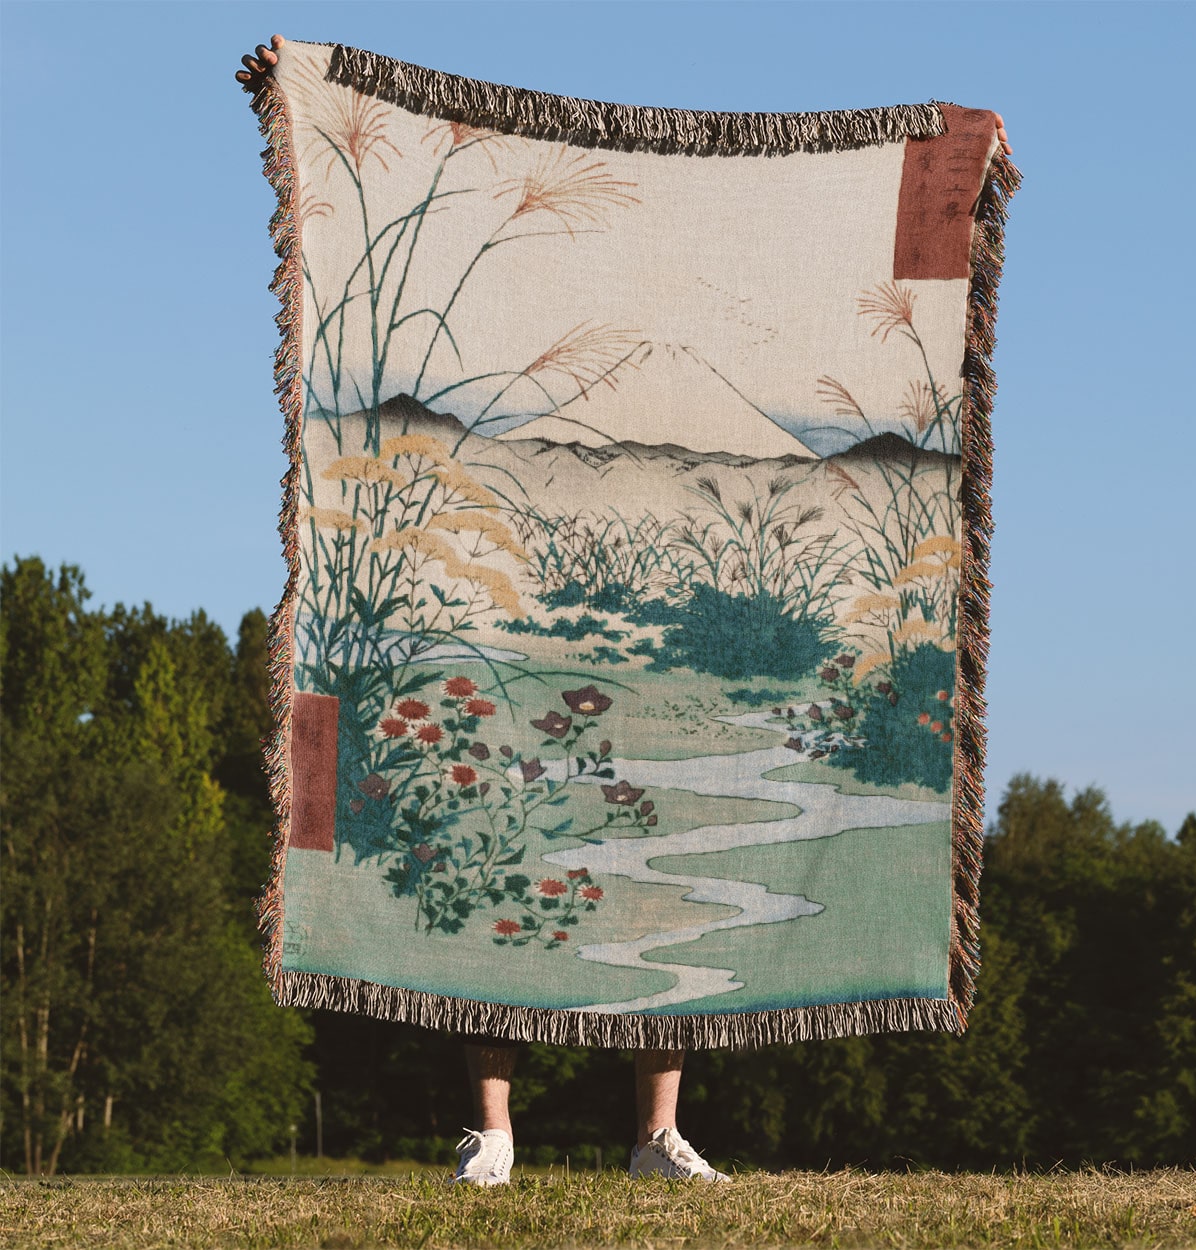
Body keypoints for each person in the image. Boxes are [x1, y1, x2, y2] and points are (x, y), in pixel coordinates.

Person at [236, 35, 1012, 1187]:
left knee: (646, 845)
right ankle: (491, 1129)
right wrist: (300, 73)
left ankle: (655, 1133)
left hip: (633, 649)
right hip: (496, 628)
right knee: (476, 842)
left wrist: (958, 162)